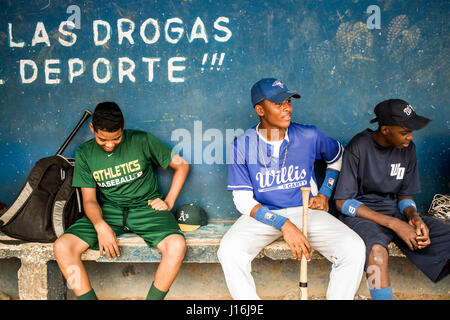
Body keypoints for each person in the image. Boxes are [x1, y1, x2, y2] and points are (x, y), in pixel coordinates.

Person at [217, 78, 366, 300]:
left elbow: (338, 157)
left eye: (288, 101)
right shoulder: (243, 144)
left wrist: (325, 192)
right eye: (278, 104)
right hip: (264, 214)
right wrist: (283, 224)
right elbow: (243, 201)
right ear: (260, 109)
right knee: (228, 252)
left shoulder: (309, 135)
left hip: (306, 210)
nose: (287, 108)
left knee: (353, 248)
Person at [53, 102, 190, 300]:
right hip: (109, 212)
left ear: (123, 125)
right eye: (102, 139)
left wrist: (168, 202)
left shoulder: (142, 140)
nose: (109, 144)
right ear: (92, 128)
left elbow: (182, 166)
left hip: (147, 209)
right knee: (62, 247)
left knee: (177, 245)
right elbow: (90, 200)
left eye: (116, 138)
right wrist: (100, 226)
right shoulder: (85, 153)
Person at [334, 99, 450, 300]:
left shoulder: (408, 148)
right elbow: (342, 202)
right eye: (405, 132)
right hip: (362, 216)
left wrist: (413, 217)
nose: (410, 137)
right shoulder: (359, 145)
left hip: (394, 212)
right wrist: (395, 224)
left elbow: (404, 196)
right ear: (386, 130)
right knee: (376, 256)